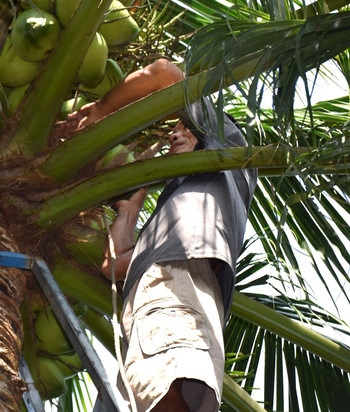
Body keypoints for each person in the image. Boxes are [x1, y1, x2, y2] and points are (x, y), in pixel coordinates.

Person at [59, 59, 258, 412]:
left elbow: (165, 73)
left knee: (165, 393)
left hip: (175, 283)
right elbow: (114, 266)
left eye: (185, 129)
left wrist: (100, 111)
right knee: (158, 393)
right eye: (173, 131)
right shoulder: (177, 206)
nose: (173, 134)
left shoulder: (225, 143)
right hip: (152, 296)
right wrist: (131, 208)